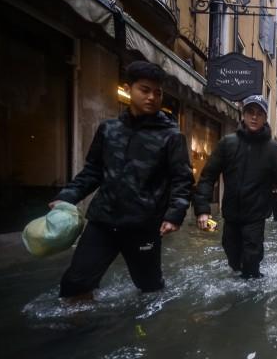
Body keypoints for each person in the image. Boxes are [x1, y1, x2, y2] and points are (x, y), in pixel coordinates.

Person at [51, 61, 194, 301]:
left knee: (149, 286)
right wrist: (66, 197)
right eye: (145, 90)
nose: (152, 97)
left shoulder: (171, 136)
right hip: (102, 221)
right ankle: (77, 330)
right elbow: (92, 171)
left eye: (157, 93)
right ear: (129, 89)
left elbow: (182, 179)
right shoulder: (109, 129)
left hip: (143, 225)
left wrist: (174, 215)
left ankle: (148, 330)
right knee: (75, 282)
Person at [193, 94, 277, 279]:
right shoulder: (227, 144)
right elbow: (207, 177)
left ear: (265, 118)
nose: (254, 117)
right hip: (231, 215)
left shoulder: (272, 149)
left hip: (256, 217)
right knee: (233, 258)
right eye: (250, 112)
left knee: (251, 263)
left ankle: (251, 290)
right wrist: (202, 210)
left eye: (259, 114)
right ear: (243, 115)